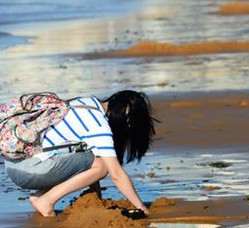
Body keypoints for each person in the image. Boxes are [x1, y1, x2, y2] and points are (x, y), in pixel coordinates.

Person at [3, 90, 156, 216]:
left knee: (93, 159)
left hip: (14, 166)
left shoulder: (86, 103)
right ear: (127, 114)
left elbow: (88, 158)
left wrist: (96, 198)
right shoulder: (98, 126)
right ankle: (46, 201)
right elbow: (116, 174)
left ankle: (40, 196)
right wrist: (142, 208)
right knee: (102, 166)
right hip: (29, 171)